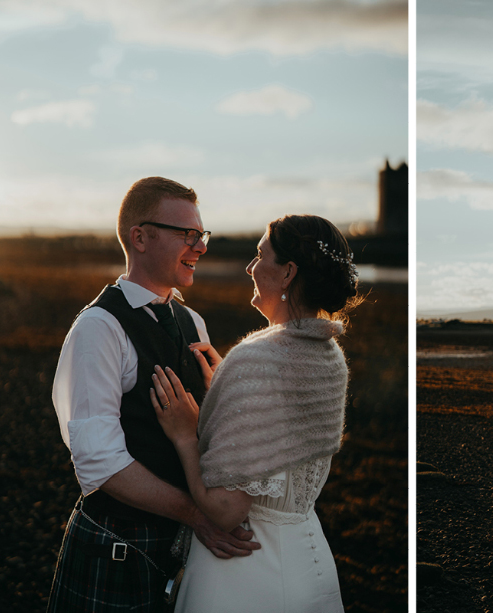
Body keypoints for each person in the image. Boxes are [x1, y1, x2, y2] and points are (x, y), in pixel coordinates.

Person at [47, 177, 260, 612]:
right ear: (139, 237)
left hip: (180, 550)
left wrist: (222, 395)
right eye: (187, 234)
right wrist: (198, 516)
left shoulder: (192, 322)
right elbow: (100, 465)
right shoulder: (98, 328)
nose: (200, 246)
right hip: (116, 546)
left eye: (202, 235)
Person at [149, 214, 359, 612]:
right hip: (309, 561)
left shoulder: (256, 361)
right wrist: (227, 394)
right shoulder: (331, 357)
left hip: (245, 574)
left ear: (288, 273)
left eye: (260, 255)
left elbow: (226, 510)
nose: (249, 266)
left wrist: (185, 434)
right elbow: (281, 435)